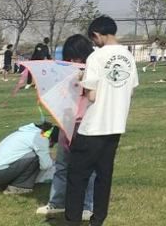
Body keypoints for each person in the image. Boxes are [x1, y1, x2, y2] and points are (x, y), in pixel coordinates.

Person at [64, 15, 139, 226]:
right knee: (104, 175)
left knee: (77, 176)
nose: (94, 43)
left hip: (94, 126)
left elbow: (92, 95)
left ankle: (72, 221)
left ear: (97, 34)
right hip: (116, 124)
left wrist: (82, 82)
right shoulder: (128, 56)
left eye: (93, 39)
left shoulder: (96, 57)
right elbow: (131, 90)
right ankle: (98, 219)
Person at [36, 34, 95, 219]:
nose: (73, 62)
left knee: (87, 168)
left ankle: (87, 206)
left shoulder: (94, 71)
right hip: (67, 122)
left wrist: (84, 80)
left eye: (76, 58)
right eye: (69, 58)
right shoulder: (67, 73)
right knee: (62, 165)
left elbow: (95, 96)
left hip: (87, 125)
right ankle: (57, 202)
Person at [0, 121, 54, 195]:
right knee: (37, 157)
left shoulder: (24, 132)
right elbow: (45, 165)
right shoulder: (40, 137)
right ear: (50, 138)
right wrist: (50, 159)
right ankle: (19, 187)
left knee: (34, 156)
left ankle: (8, 183)